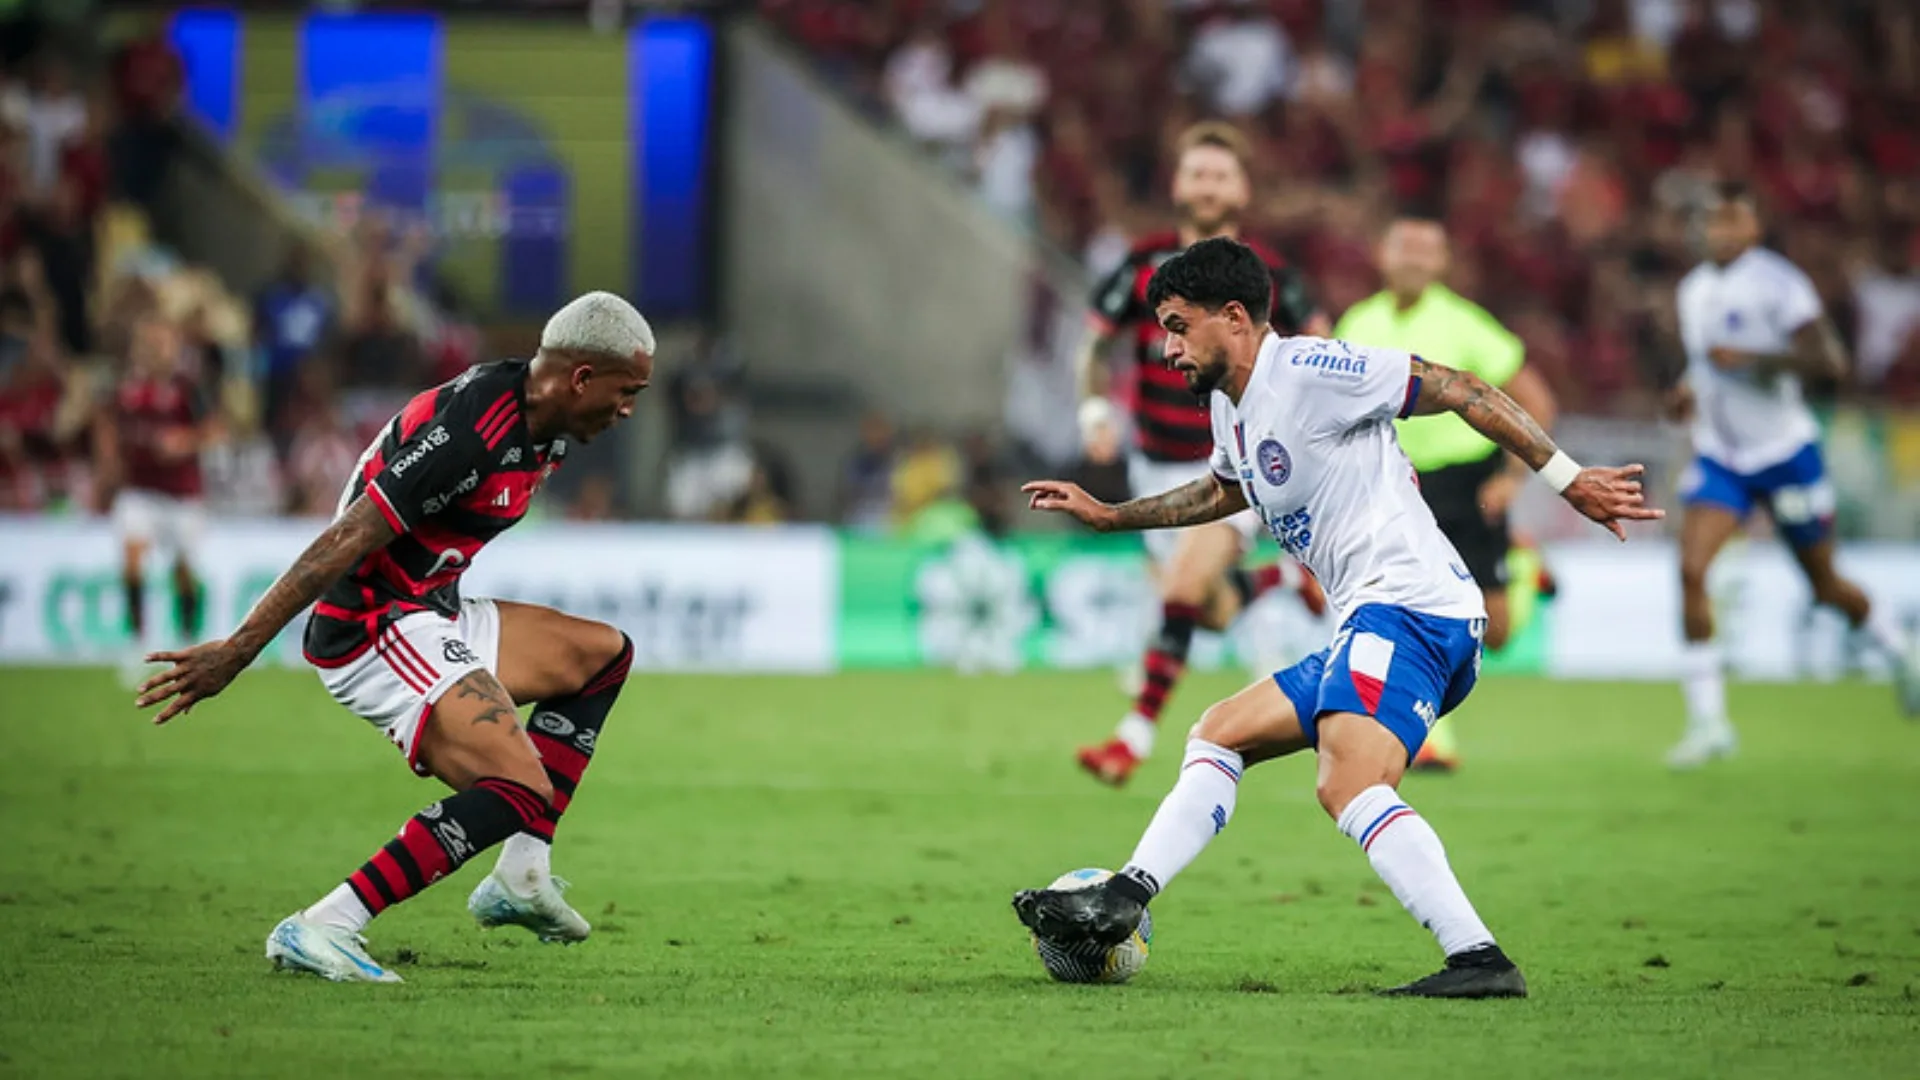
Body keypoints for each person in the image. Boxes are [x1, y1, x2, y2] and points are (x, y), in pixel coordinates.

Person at [1014, 238, 1659, 997]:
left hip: (1412, 609)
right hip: (1375, 621)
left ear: (1235, 318)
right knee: (1220, 733)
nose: (1169, 348)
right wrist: (1113, 515)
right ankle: (1124, 898)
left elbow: (1460, 387)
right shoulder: (1229, 406)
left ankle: (1479, 960)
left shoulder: (1312, 371)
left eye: (1180, 327)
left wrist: (1567, 479)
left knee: (1347, 782)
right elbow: (1224, 491)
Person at [135, 292, 656, 983]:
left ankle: (524, 874)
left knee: (603, 658)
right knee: (518, 784)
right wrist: (238, 650)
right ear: (582, 378)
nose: (629, 410)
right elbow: (348, 535)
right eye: (628, 392)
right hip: (372, 623)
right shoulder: (471, 434)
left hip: (431, 607)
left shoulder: (548, 423)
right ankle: (325, 924)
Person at [1074, 122, 1330, 787]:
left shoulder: (1267, 275)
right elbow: (1094, 345)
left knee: (1183, 588)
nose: (1208, 186)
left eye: (1221, 175)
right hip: (1153, 464)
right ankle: (1282, 581)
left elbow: (1323, 344)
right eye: (1198, 173)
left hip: (1236, 463)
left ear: (1242, 190)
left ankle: (1131, 738)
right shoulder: (1142, 265)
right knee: (1207, 610)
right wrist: (1094, 412)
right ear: (1178, 184)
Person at [1666, 184, 1919, 767]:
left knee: (1824, 585)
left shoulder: (1779, 285)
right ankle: (1709, 723)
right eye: (1713, 222)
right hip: (1721, 457)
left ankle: (1899, 647)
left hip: (1784, 453)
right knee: (1691, 569)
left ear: (1754, 229)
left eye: (1732, 221)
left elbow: (1831, 362)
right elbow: (1703, 365)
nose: (1720, 232)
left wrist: (1756, 360)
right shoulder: (1693, 289)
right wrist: (1686, 391)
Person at [1333, 216, 1558, 772]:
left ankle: (1523, 567)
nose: (1412, 258)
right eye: (1403, 247)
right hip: (1393, 484)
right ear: (1381, 255)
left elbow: (1535, 400)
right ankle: (1433, 737)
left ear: (1441, 262)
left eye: (1424, 250)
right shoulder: (1357, 322)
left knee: (1498, 632)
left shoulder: (1465, 323)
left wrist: (1512, 477)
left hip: (1467, 481)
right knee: (1405, 609)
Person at [96, 314, 219, 686]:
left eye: (163, 344)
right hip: (140, 490)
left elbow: (215, 428)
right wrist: (108, 459)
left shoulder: (187, 388)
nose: (156, 351)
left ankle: (186, 643)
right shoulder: (126, 388)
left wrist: (185, 441)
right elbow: (107, 422)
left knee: (183, 572)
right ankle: (137, 644)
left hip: (182, 494)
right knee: (132, 561)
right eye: (150, 344)